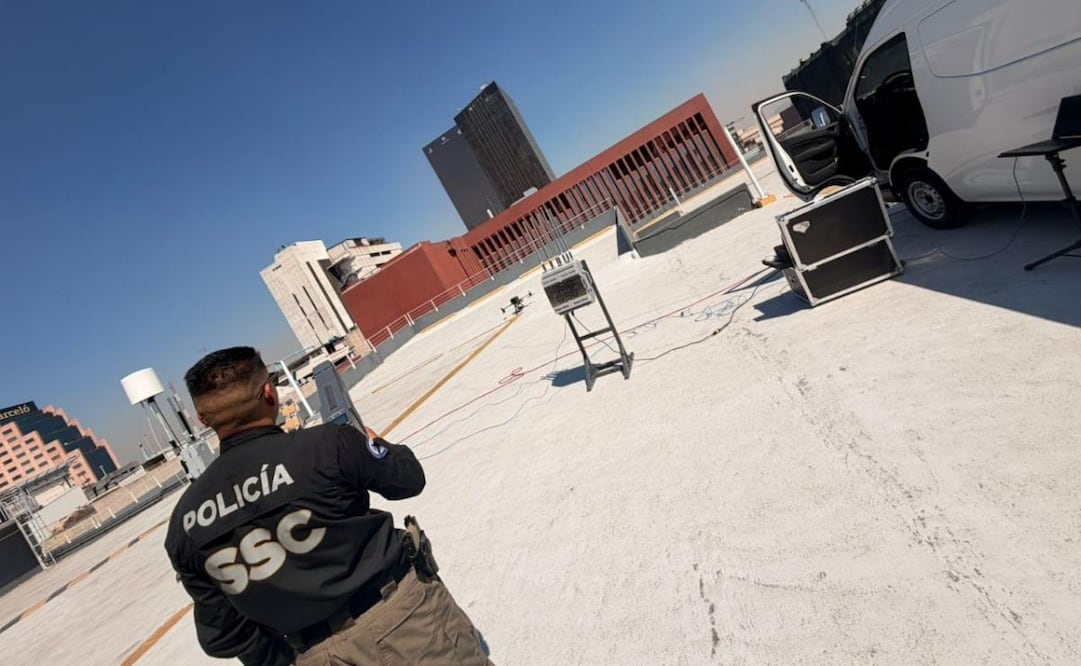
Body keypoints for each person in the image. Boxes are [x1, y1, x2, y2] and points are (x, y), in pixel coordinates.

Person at [164, 346, 492, 666]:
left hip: (310, 653)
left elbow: (223, 633)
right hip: (404, 624)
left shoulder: (183, 525)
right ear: (268, 393)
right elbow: (408, 480)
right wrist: (375, 443)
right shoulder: (327, 444)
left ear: (203, 419)